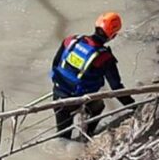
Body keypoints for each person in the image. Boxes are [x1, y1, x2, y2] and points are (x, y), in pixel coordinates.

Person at [50, 12, 136, 140]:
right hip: (81, 97)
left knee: (63, 137)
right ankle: (87, 136)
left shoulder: (71, 40)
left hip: (58, 94)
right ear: (113, 36)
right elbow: (116, 88)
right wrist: (133, 106)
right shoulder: (105, 58)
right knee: (98, 107)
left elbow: (55, 64)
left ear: (96, 25)